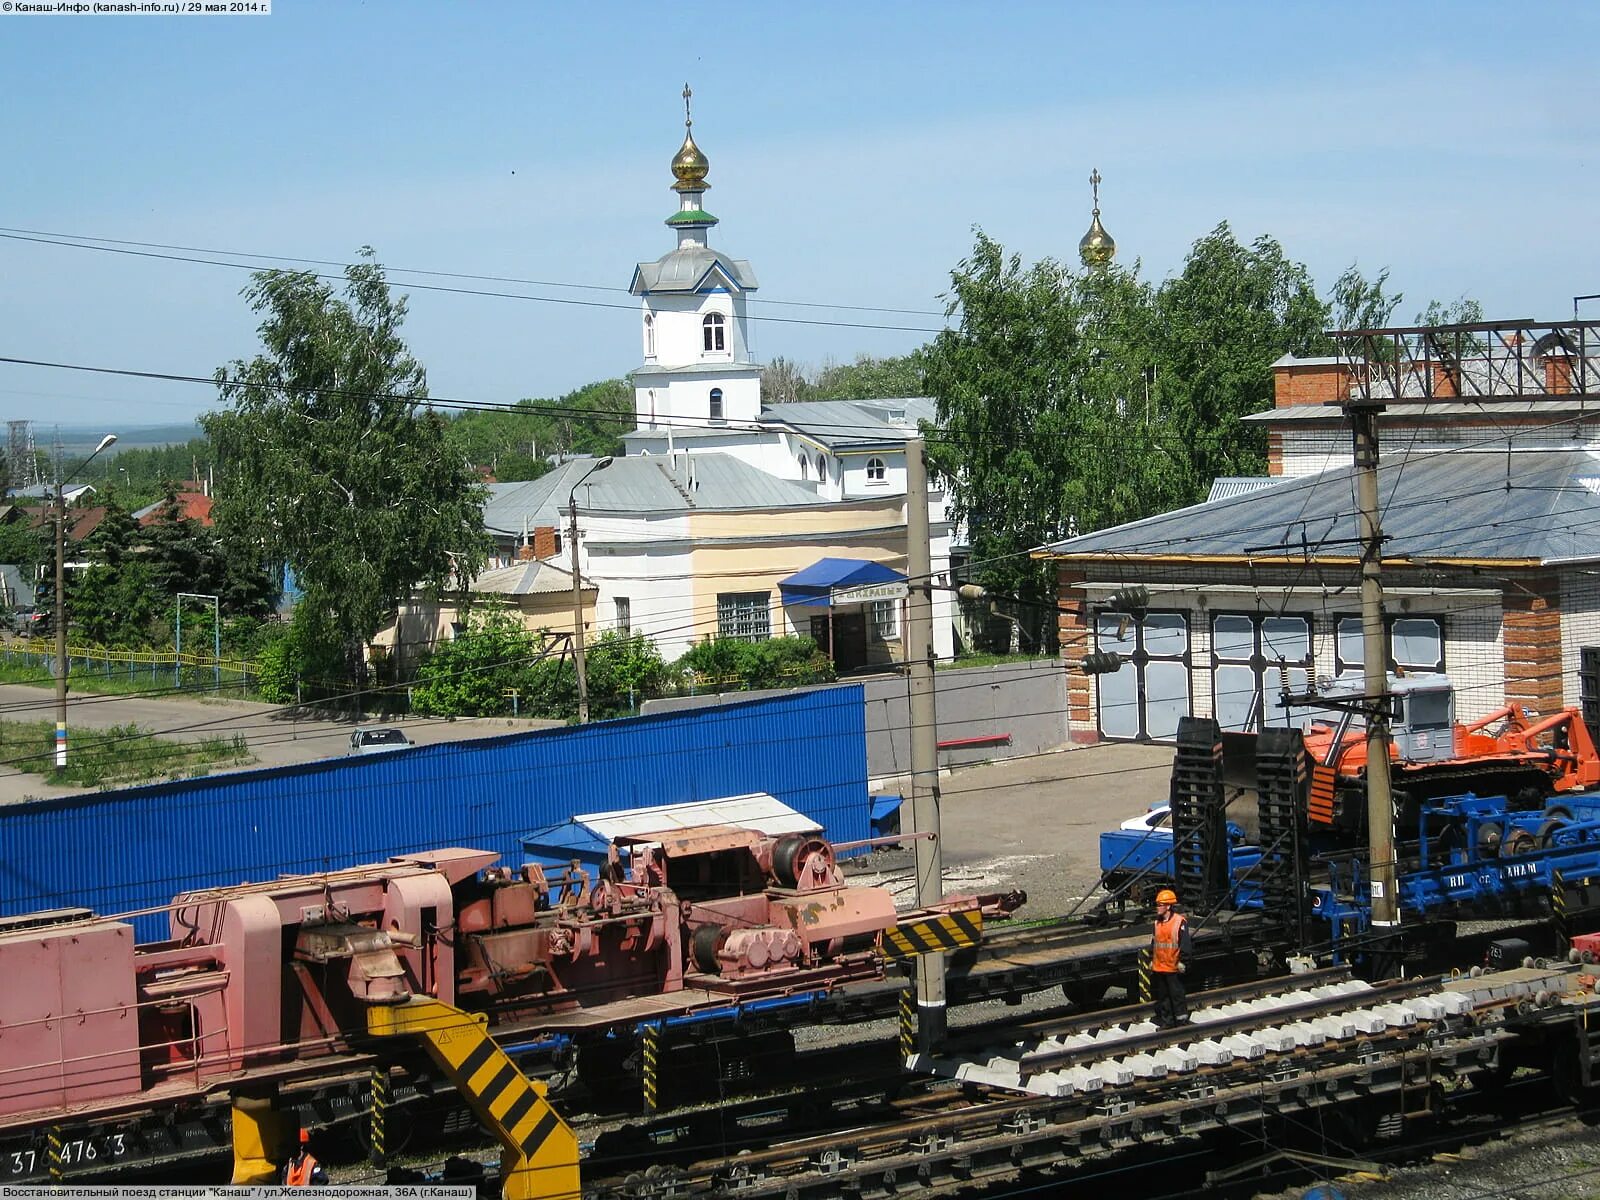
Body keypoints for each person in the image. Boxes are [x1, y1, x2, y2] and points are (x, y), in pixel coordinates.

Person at [1150, 888, 1193, 1028]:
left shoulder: (1179, 922)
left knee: (1177, 995)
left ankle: (1181, 1020)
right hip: (1160, 966)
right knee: (1164, 997)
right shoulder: (1157, 923)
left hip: (1173, 966)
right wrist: (1152, 959)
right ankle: (1167, 1022)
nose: (1157, 907)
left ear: (1168, 906)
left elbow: (1185, 943)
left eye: (1160, 905)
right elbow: (1154, 943)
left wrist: (1183, 962)